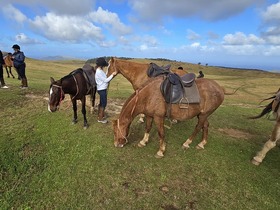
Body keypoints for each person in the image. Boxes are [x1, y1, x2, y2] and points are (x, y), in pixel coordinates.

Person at [95, 57, 117, 123]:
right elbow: (106, 80)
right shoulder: (99, 72)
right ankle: (100, 119)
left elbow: (105, 75)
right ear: (101, 65)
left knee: (102, 102)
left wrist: (109, 65)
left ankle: (100, 115)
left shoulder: (100, 70)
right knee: (103, 103)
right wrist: (112, 75)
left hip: (101, 89)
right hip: (102, 90)